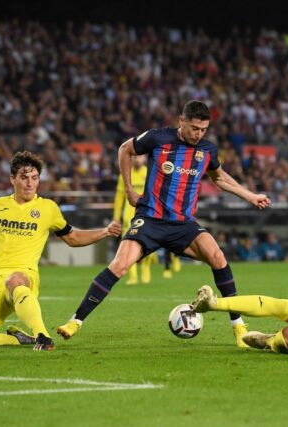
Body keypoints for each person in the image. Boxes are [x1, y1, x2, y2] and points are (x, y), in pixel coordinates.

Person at [57, 100, 271, 347]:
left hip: (183, 225)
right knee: (120, 264)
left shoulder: (207, 150)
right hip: (149, 219)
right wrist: (128, 189)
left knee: (218, 256)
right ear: (182, 121)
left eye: (203, 130)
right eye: (194, 128)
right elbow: (124, 149)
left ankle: (239, 329)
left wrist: (251, 196)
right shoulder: (159, 138)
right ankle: (75, 321)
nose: (198, 134)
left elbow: (219, 178)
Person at [0, 151, 121, 351]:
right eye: (24, 177)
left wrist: (105, 231)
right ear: (13, 179)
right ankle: (19, 339)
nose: (30, 183)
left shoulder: (48, 208)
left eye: (34, 178)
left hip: (24, 276)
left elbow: (72, 237)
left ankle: (42, 335)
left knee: (14, 280)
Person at [113, 154, 154, 284]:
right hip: (129, 215)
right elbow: (119, 197)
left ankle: (146, 270)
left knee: (148, 243)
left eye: (140, 157)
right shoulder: (125, 175)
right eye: (135, 157)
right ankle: (133, 276)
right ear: (131, 159)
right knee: (128, 245)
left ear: (145, 159)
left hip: (146, 213)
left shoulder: (150, 172)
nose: (137, 159)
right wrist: (116, 218)